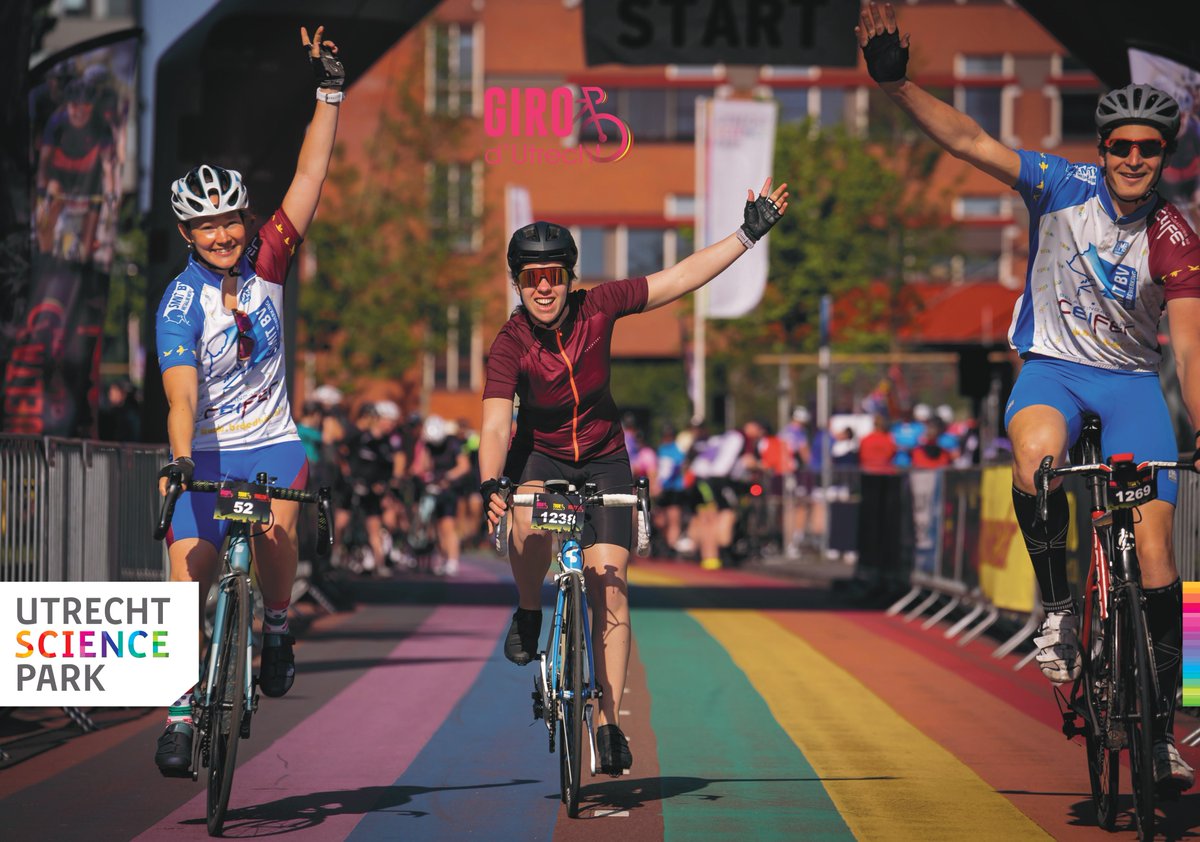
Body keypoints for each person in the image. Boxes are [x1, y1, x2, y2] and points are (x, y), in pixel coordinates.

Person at [858, 3, 1200, 791]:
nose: (1136, 160)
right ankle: (1055, 609)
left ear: (1163, 155)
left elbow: (1187, 344)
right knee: (1039, 452)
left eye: (1151, 149)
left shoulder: (1174, 237)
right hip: (1053, 369)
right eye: (1123, 147)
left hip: (1130, 387)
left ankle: (1156, 735)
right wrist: (901, 86)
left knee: (1159, 557)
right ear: (1104, 149)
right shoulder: (1058, 183)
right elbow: (973, 140)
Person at [478, 180, 787, 776]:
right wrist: (493, 483)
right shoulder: (510, 343)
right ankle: (527, 609)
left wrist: (747, 235)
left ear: (570, 278)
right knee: (526, 518)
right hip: (538, 457)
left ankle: (609, 723)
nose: (544, 287)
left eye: (554, 275)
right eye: (531, 277)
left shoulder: (601, 307)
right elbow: (495, 427)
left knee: (609, 584)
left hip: (604, 457)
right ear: (518, 283)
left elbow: (679, 278)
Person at [151, 25, 345, 776]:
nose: (224, 234)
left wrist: (329, 89)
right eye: (207, 227)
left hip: (270, 442)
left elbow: (311, 174)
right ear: (188, 234)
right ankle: (176, 717)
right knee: (183, 577)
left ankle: (275, 624)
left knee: (277, 540)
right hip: (203, 449)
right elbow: (181, 395)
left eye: (230, 219)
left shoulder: (268, 257)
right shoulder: (178, 305)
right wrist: (177, 459)